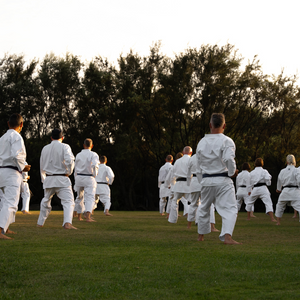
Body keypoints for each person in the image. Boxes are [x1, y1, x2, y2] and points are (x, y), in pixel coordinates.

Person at [196, 113, 240, 244]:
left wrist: (201, 181)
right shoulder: (227, 140)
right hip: (222, 180)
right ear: (224, 125)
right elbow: (228, 158)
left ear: (210, 125)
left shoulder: (201, 142)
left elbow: (198, 166)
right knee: (230, 208)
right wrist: (232, 172)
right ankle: (227, 237)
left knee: (204, 208)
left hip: (206, 180)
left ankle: (200, 237)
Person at [37, 128, 76, 229]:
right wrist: (69, 172)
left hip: (48, 179)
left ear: (51, 137)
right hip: (62, 179)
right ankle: (67, 223)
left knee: (45, 201)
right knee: (68, 201)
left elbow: (41, 165)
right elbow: (70, 161)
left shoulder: (45, 148)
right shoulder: (65, 146)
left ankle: (40, 223)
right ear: (62, 137)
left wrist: (43, 179)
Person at [0, 113, 31, 239]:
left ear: (8, 124)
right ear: (21, 125)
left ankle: (5, 228)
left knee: (3, 202)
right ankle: (1, 229)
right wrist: (23, 166)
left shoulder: (2, 138)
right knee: (11, 202)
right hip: (11, 172)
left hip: (1, 171)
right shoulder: (16, 136)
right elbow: (16, 155)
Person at [187, 153, 219, 231]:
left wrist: (188, 185)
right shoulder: (207, 156)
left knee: (193, 204)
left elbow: (188, 173)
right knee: (209, 204)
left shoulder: (192, 158)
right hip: (205, 181)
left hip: (194, 182)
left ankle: (189, 225)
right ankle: (212, 227)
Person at [73, 138, 99, 222]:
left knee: (79, 197)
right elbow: (95, 165)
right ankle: (88, 217)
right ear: (92, 145)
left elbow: (75, 169)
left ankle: (79, 216)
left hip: (79, 177)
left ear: (84, 145)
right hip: (89, 177)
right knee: (90, 197)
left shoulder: (78, 155)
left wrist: (75, 180)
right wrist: (95, 174)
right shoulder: (93, 154)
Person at [246, 158, 276, 222]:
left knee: (250, 202)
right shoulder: (264, 171)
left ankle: (248, 217)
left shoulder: (251, 173)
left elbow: (248, 183)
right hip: (263, 188)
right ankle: (272, 218)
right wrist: (268, 183)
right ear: (262, 164)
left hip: (255, 189)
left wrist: (249, 191)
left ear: (255, 164)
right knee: (268, 202)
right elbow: (268, 178)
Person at [168, 146, 192, 224]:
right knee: (195, 202)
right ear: (191, 153)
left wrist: (172, 184)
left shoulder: (177, 162)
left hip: (178, 184)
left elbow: (172, 176)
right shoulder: (191, 160)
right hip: (188, 184)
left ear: (183, 151)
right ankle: (197, 219)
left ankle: (172, 220)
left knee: (174, 202)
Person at [275, 154, 300, 225]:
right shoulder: (296, 170)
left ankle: (278, 222)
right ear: (294, 162)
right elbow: (299, 180)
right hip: (295, 191)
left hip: (285, 191)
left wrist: (278, 188)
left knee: (279, 206)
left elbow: (279, 180)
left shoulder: (282, 171)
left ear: (287, 162)